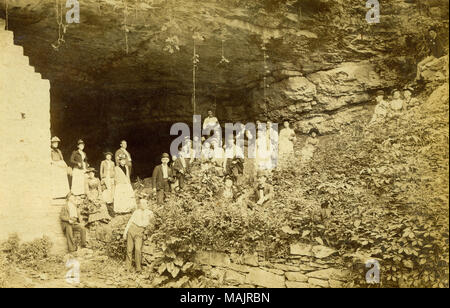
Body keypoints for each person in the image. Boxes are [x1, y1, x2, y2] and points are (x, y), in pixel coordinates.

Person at [123, 198, 155, 273]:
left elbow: (152, 225)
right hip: (132, 229)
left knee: (138, 249)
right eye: (141, 203)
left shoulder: (150, 213)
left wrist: (148, 233)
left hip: (140, 231)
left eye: (144, 203)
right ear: (139, 205)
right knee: (129, 249)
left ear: (147, 204)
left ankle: (138, 268)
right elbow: (130, 221)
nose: (142, 205)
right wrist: (125, 232)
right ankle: (128, 267)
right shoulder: (136, 212)